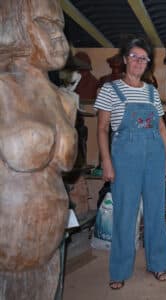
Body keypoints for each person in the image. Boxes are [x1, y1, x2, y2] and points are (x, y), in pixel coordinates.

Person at [0, 0, 78, 296]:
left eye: (59, 25)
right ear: (13, 25)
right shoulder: (2, 88)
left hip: (49, 246)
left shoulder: (66, 101)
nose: (58, 35)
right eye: (44, 23)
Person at [94, 37, 166, 289]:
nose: (139, 61)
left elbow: (161, 127)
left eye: (144, 58)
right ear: (126, 58)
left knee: (156, 213)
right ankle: (119, 270)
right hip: (125, 157)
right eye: (135, 56)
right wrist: (106, 161)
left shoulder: (151, 91)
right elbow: (102, 128)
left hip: (154, 155)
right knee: (125, 215)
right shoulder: (109, 89)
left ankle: (158, 264)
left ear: (148, 63)